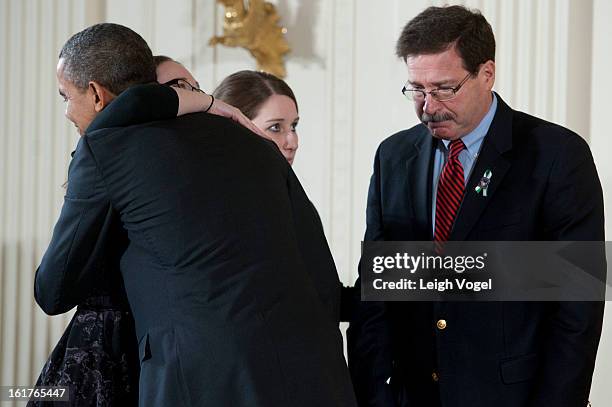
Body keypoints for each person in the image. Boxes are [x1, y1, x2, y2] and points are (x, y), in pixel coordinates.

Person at [35, 22, 357, 406]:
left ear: (96, 94)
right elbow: (318, 269)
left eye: (65, 97)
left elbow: (53, 290)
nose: (69, 112)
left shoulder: (105, 147)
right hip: (313, 373)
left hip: (202, 378)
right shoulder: (253, 141)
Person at [347, 5, 605, 407]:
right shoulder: (393, 157)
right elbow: (377, 292)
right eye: (416, 88)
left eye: (445, 88)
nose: (428, 106)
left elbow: (577, 307)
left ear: (487, 73)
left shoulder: (556, 155)